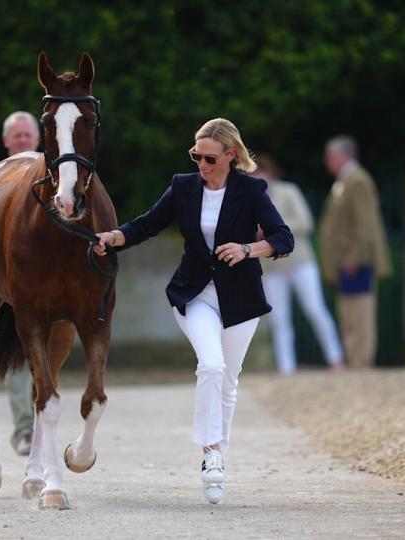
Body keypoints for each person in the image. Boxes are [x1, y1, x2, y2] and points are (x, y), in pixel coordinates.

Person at [93, 118, 294, 505]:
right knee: (212, 366)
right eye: (195, 156)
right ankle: (211, 456)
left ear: (230, 155)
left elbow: (283, 238)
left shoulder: (251, 190)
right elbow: (148, 224)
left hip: (241, 299)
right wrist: (114, 238)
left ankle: (219, 452)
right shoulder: (183, 187)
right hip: (194, 295)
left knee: (229, 380)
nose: (201, 164)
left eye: (209, 158)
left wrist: (247, 249)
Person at [253, 155, 344, 374]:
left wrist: (274, 229)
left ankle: (336, 359)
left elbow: (305, 222)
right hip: (271, 268)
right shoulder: (248, 200)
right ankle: (287, 368)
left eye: (260, 172)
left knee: (315, 309)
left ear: (270, 174)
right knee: (279, 319)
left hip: (300, 262)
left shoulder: (288, 191)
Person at [319, 136, 392, 368]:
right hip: (346, 260)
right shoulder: (345, 181)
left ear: (346, 155)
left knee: (360, 315)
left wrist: (354, 258)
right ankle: (354, 361)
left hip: (357, 260)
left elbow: (365, 224)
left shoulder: (357, 180)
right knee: (349, 314)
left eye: (331, 155)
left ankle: (361, 362)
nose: (327, 161)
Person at [0, 111, 40, 456]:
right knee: (19, 356)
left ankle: (40, 425)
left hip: (49, 282)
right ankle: (25, 428)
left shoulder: (54, 178)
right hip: (11, 284)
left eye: (28, 135)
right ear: (6, 142)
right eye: (18, 136)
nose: (24, 141)